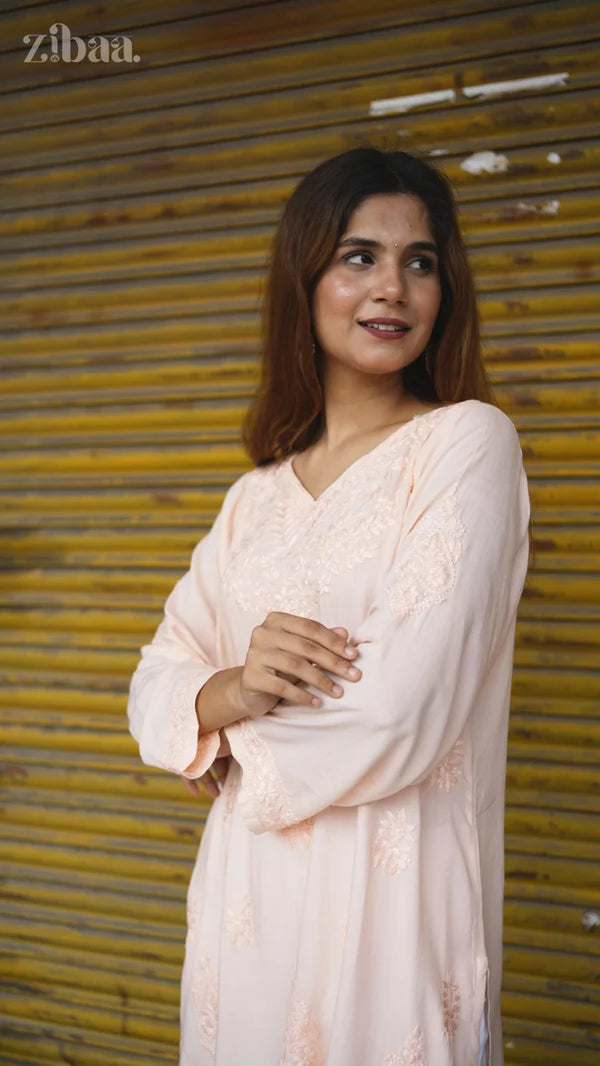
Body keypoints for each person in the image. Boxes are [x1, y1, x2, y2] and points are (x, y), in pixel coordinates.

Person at [127, 146, 530, 1066]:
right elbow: (157, 679)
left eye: (420, 262)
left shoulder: (467, 445)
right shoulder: (253, 500)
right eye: (360, 256)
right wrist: (231, 689)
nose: (393, 287)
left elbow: (399, 711)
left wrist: (219, 738)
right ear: (304, 279)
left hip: (391, 913)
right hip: (246, 905)